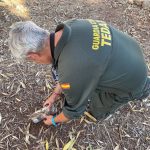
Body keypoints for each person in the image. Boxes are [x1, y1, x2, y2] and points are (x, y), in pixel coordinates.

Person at [8, 19, 150, 126]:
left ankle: (143, 90)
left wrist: (53, 120)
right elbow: (68, 75)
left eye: (31, 61)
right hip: (131, 53)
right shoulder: (70, 25)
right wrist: (55, 95)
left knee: (96, 110)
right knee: (86, 79)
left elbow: (73, 111)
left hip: (133, 82)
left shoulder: (72, 69)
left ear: (33, 56)